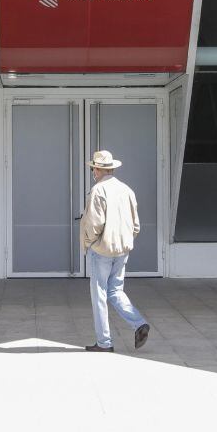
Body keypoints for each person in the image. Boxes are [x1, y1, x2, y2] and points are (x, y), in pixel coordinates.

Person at [80, 150, 150, 352]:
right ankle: (139, 323)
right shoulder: (126, 190)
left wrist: (89, 242)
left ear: (99, 170)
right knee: (116, 291)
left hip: (102, 249)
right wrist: (125, 240)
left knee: (99, 294)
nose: (93, 171)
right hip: (122, 249)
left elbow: (94, 224)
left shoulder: (98, 190)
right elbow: (136, 225)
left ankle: (104, 342)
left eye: (94, 168)